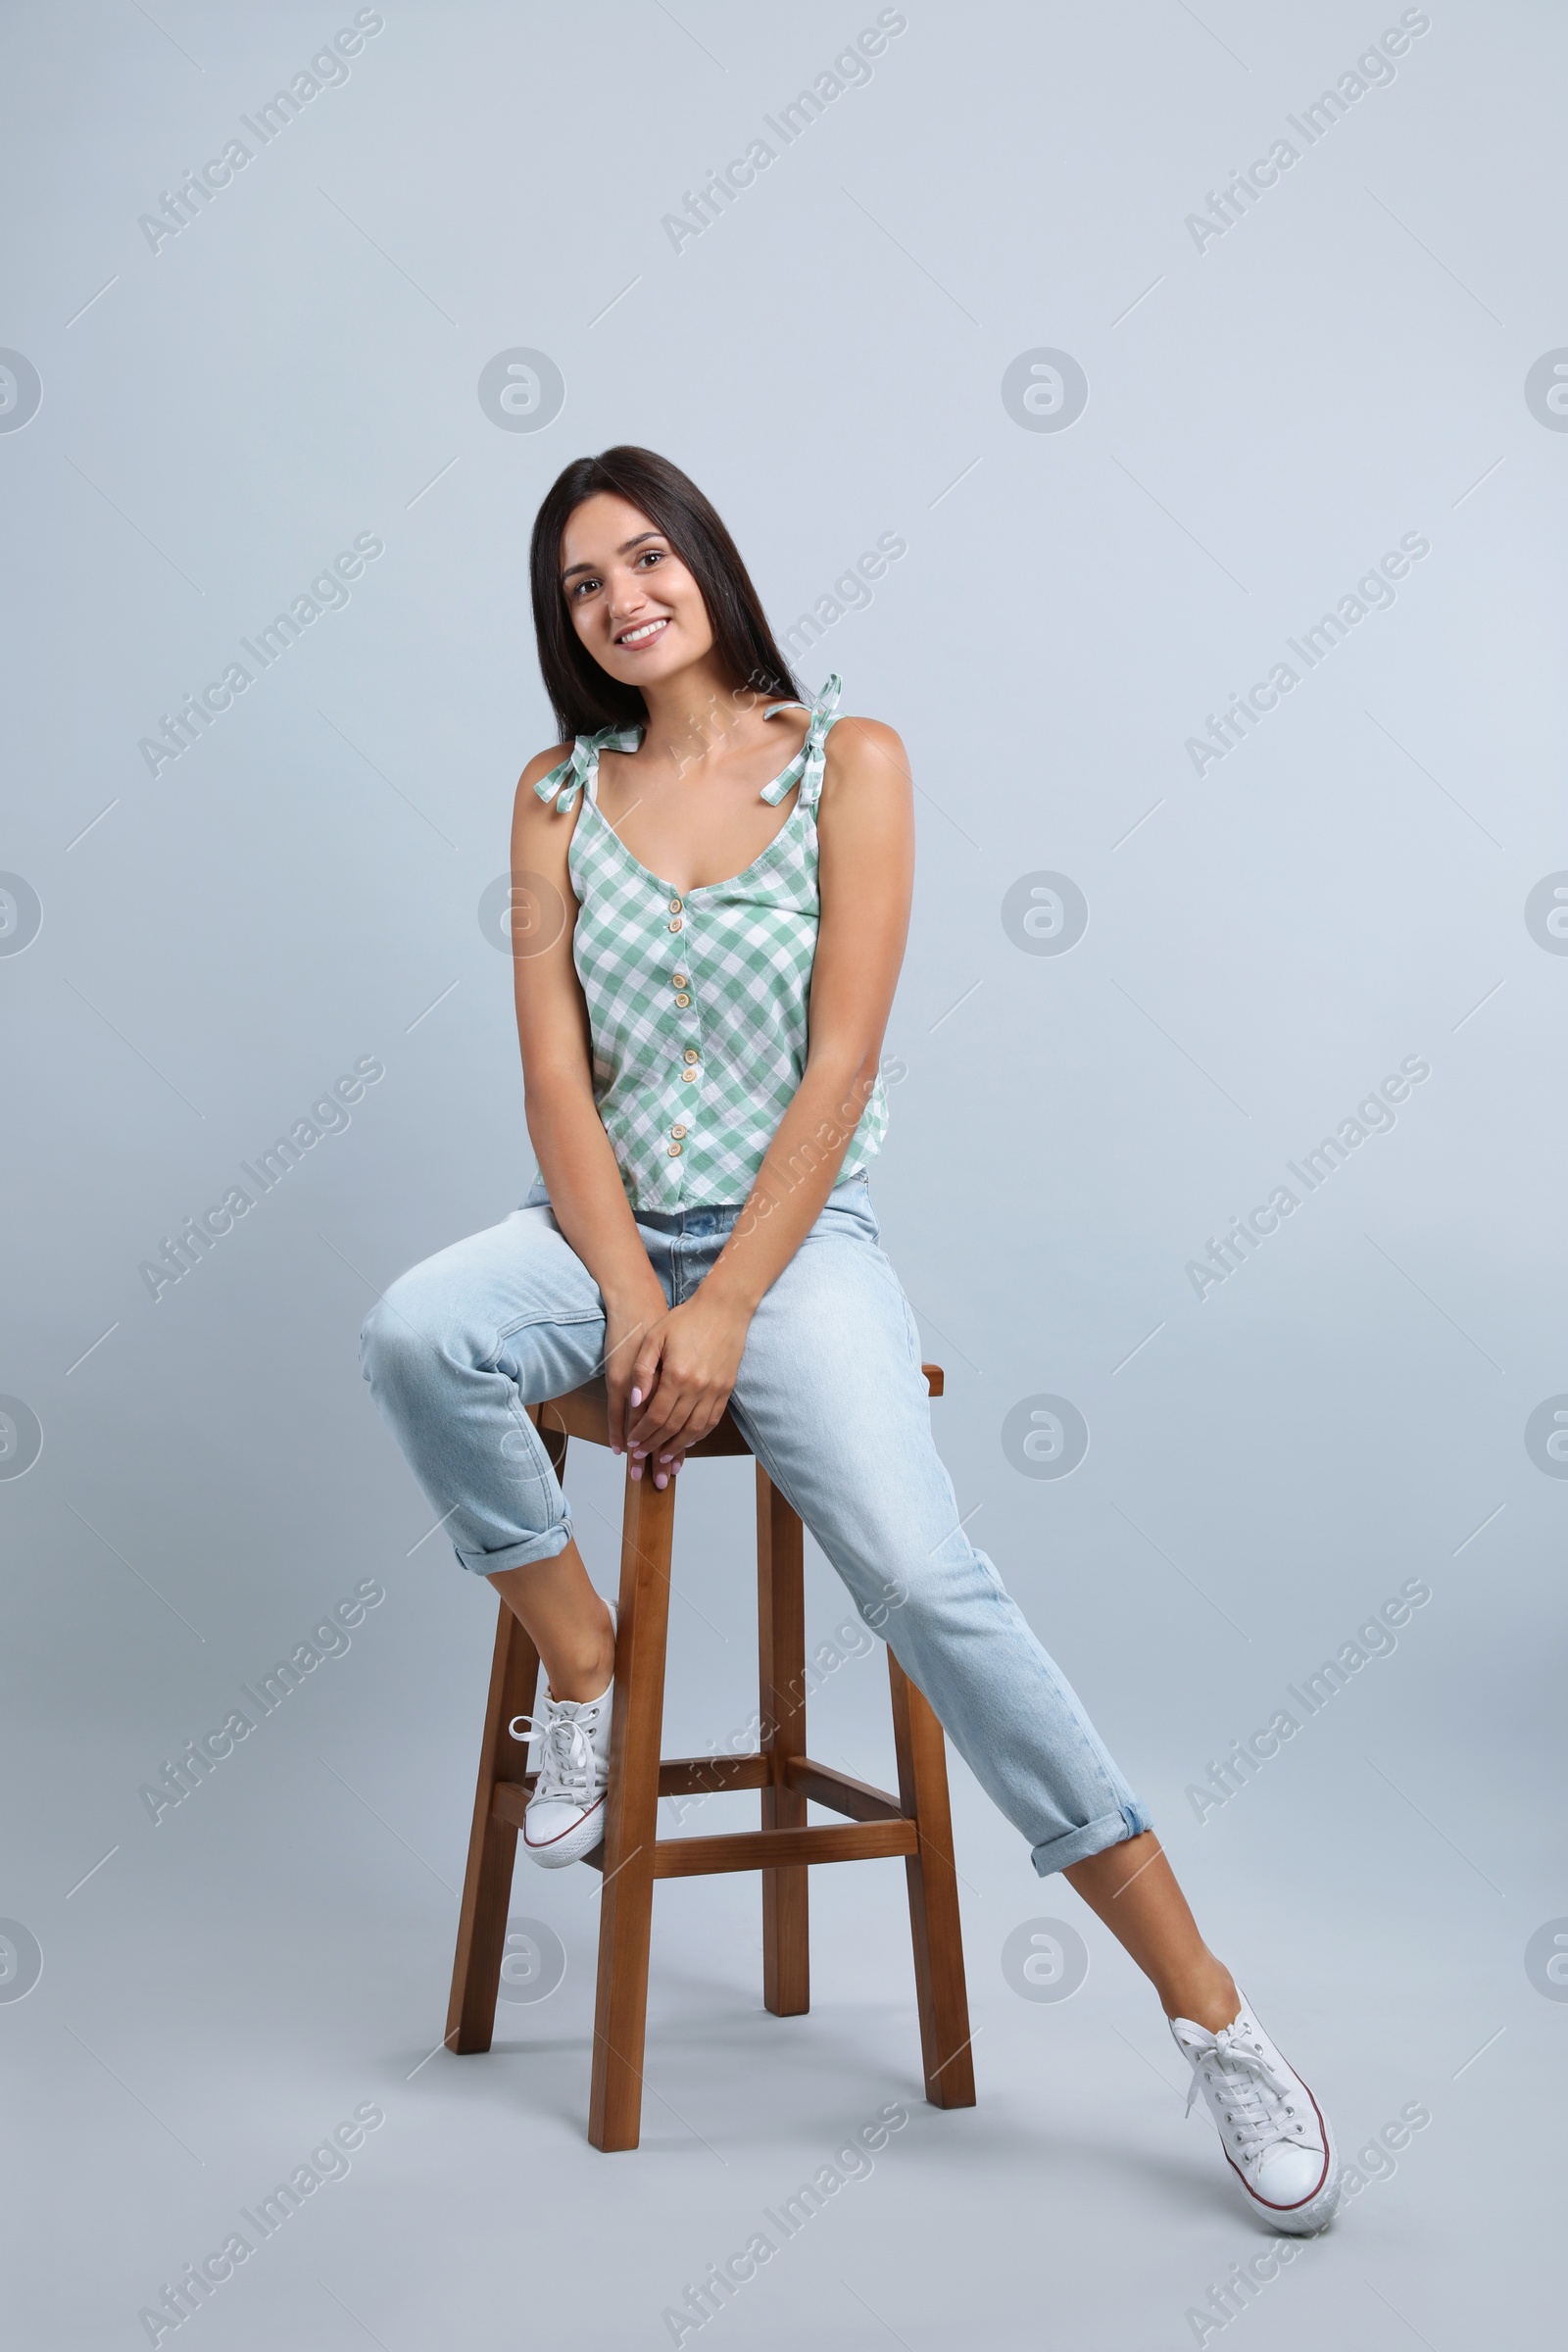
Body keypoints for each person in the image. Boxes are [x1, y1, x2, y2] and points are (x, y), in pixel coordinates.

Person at [359, 446, 1339, 2232]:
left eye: (645, 557)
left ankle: (1214, 2017)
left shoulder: (848, 765)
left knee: (922, 1568)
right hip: (588, 1238)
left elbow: (843, 1066)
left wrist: (723, 1299)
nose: (620, 598)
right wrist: (637, 1293)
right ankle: (588, 1672)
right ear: (563, 622)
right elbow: (555, 1076)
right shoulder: (552, 795)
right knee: (417, 1332)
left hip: (798, 1251)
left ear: (708, 564)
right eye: (583, 584)